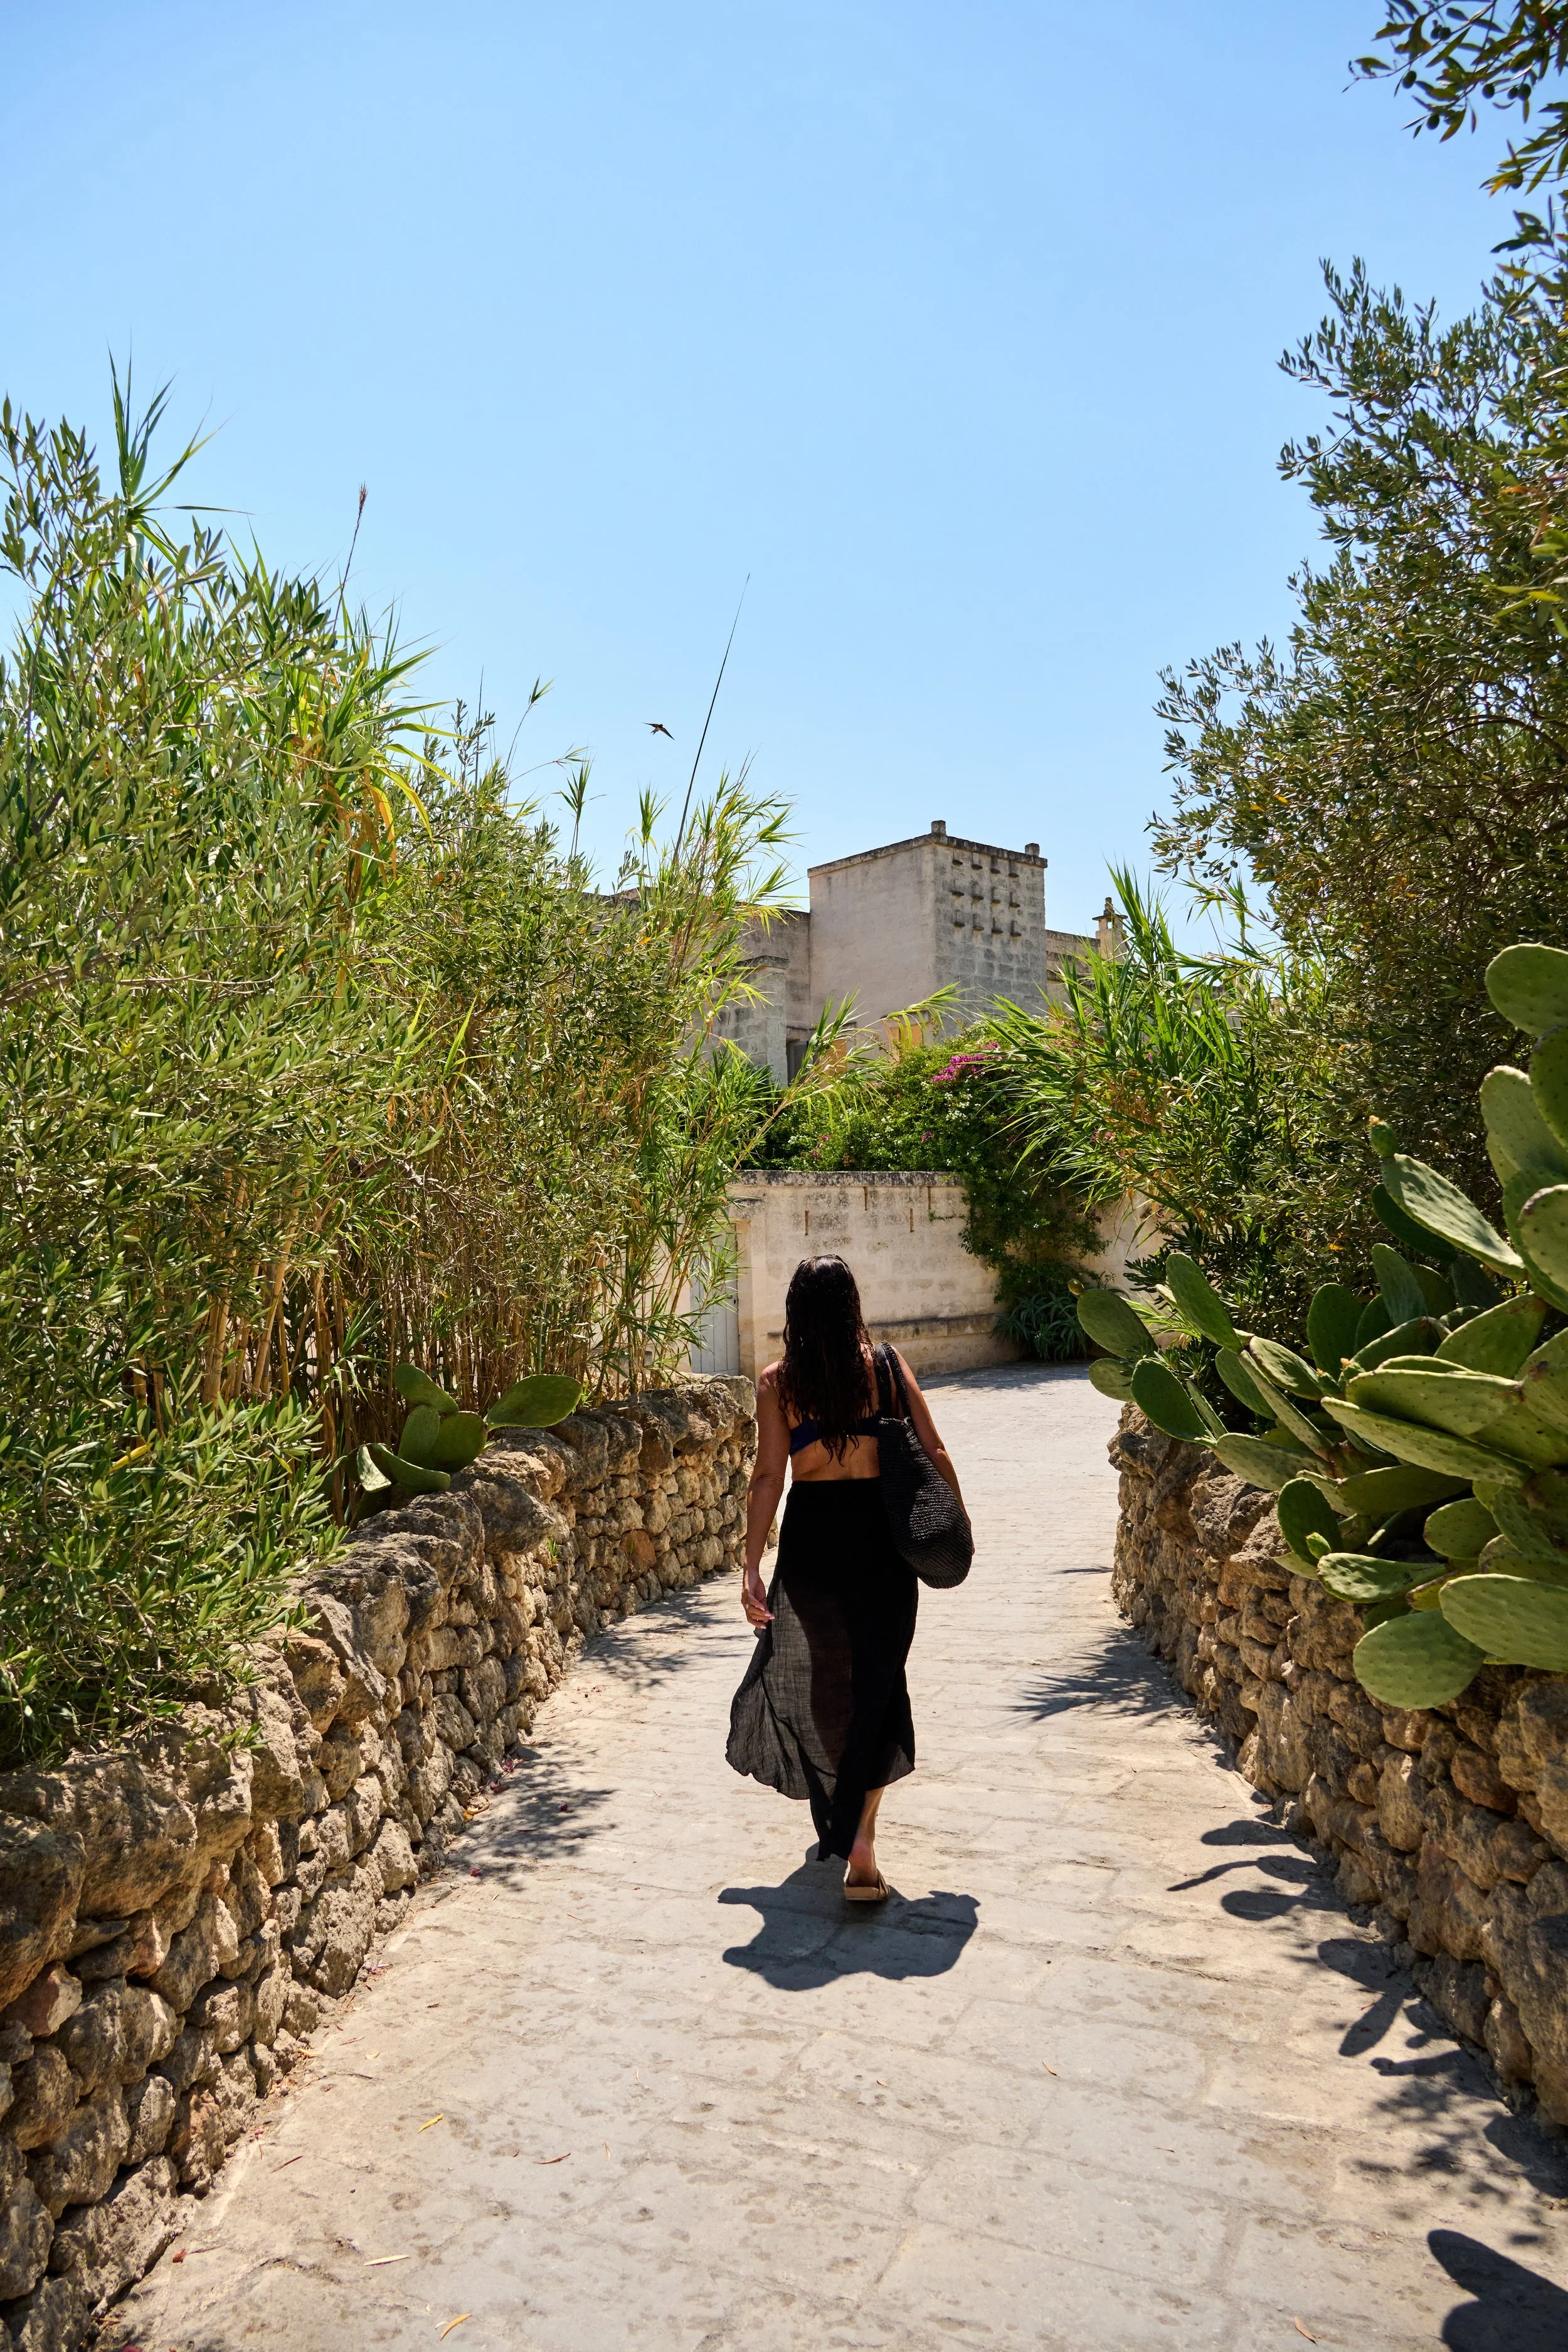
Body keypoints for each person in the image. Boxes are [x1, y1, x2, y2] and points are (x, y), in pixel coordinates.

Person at [726, 1254, 965, 1901]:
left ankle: (844, 1816)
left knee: (830, 1683)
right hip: (879, 1541)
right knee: (880, 1686)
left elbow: (769, 1477)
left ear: (796, 1314)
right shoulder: (885, 1368)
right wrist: (957, 1521)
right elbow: (933, 1448)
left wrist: (750, 1565)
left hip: (812, 1542)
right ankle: (860, 1843)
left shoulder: (779, 1382)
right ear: (852, 1305)